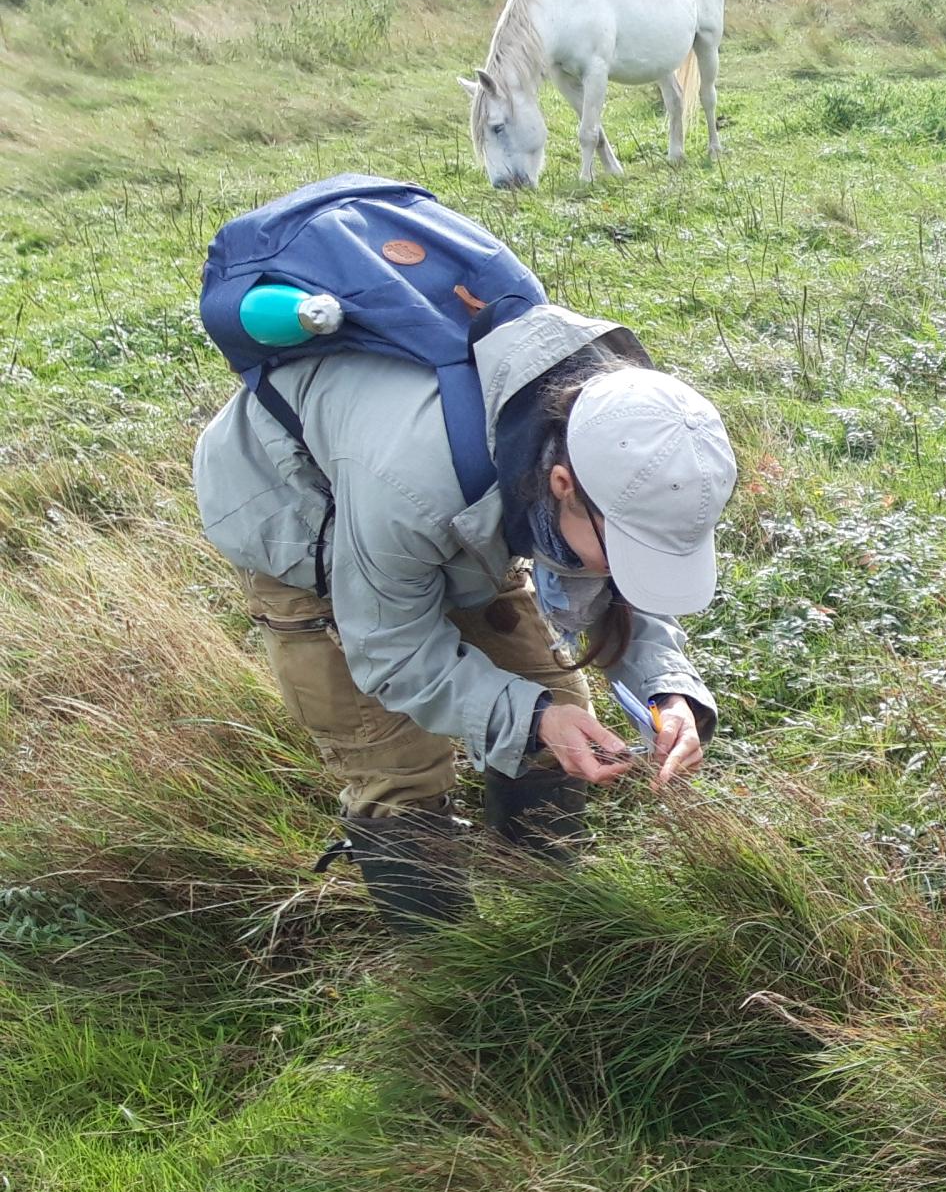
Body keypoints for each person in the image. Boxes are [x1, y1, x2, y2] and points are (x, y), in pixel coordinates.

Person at [193, 277, 736, 930]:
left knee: (556, 718)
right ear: (561, 484)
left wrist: (665, 692)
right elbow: (390, 649)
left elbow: (625, 576)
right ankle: (445, 955)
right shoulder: (414, 487)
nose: (627, 567)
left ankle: (548, 911)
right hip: (304, 516)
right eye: (623, 549)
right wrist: (532, 718)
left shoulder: (621, 429)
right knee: (399, 775)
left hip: (455, 514)